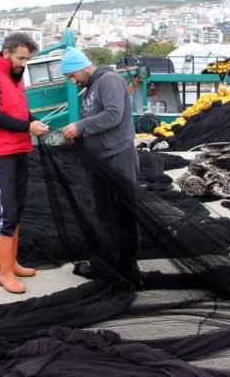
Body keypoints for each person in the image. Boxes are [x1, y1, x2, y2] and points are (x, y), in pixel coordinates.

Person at [0, 33, 49, 294]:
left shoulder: (14, 78)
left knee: (18, 207)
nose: (24, 64)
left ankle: (12, 263)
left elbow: (18, 111)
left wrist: (37, 121)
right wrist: (28, 127)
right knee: (6, 209)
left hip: (18, 149)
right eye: (20, 58)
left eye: (27, 59)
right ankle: (4, 273)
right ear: (6, 52)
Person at [60, 46, 141, 286]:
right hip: (101, 161)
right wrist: (78, 135)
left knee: (124, 215)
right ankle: (108, 263)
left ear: (81, 67)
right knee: (103, 214)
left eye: (72, 76)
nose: (72, 81)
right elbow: (96, 119)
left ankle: (127, 269)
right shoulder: (90, 88)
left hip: (119, 158)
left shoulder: (109, 80)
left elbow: (114, 114)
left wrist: (81, 127)